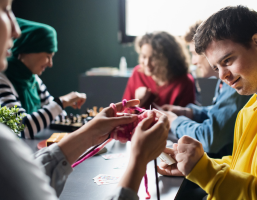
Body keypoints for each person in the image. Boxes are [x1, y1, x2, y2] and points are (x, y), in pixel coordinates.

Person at [0, 2, 169, 199]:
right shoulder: (4, 143)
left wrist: (88, 133)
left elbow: (30, 181)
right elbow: (25, 127)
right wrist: (139, 160)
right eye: (5, 10)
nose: (16, 30)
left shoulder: (33, 81)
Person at [158, 5, 257, 200]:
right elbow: (245, 165)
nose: (223, 76)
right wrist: (196, 166)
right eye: (216, 68)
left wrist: (206, 171)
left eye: (227, 61)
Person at [162, 21, 250, 158]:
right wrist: (189, 112)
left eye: (195, 54)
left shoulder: (234, 83)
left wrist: (174, 121)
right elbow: (220, 114)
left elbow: (210, 138)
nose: (193, 62)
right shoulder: (222, 82)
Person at [0, 17, 86, 139]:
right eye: (47, 56)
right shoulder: (2, 80)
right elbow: (22, 128)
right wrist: (62, 101)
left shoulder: (34, 80)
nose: (50, 64)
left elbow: (58, 116)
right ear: (28, 50)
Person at [122, 31, 195, 109]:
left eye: (153, 58)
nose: (147, 63)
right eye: (143, 56)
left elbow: (185, 119)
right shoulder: (137, 73)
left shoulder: (184, 82)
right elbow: (124, 111)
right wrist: (137, 103)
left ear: (167, 59)